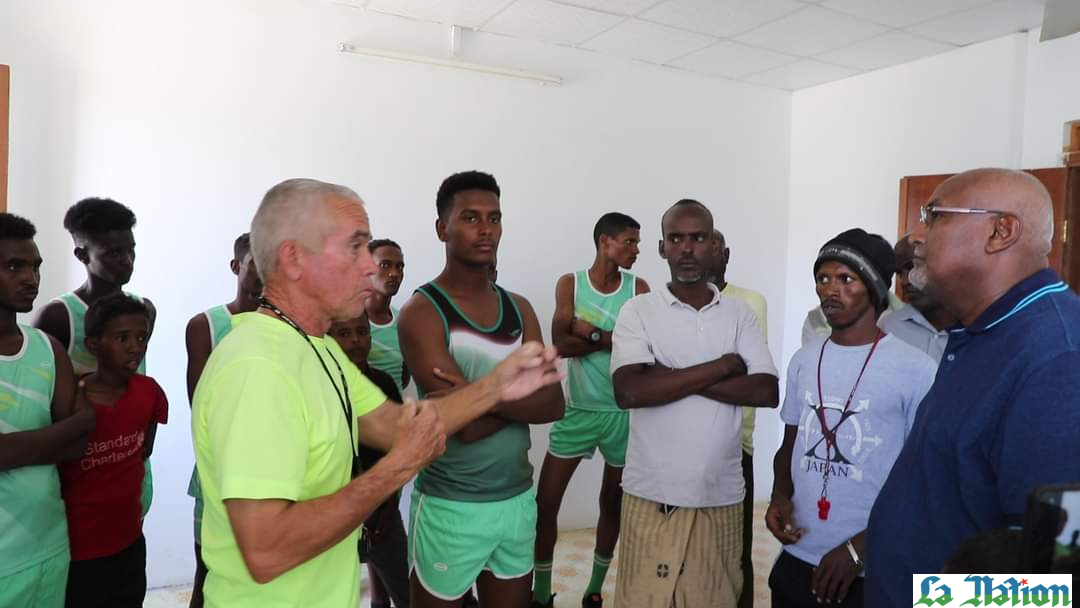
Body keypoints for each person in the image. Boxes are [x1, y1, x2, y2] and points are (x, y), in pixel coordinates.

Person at [191, 178, 561, 608]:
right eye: (355, 247)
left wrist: (497, 385)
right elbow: (267, 550)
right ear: (293, 258)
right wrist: (395, 470)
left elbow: (398, 426)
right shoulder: (257, 367)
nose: (372, 267)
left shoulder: (317, 347)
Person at [866, 168, 1080, 606]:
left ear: (1001, 231)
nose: (916, 236)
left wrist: (934, 599)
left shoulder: (1058, 359)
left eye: (934, 216)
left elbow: (1055, 581)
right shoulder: (984, 331)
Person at [398, 170, 566, 608]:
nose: (486, 229)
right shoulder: (421, 312)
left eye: (494, 218)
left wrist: (476, 395)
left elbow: (552, 402)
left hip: (515, 500)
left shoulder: (519, 307)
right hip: (451, 506)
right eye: (470, 218)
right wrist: (515, 392)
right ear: (442, 228)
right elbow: (460, 427)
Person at [610, 199, 779, 608]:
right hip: (651, 491)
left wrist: (667, 377)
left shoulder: (739, 314)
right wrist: (723, 366)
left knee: (715, 597)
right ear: (662, 248)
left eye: (698, 238)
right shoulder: (638, 311)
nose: (687, 249)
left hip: (718, 492)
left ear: (715, 246)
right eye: (676, 238)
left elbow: (766, 392)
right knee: (643, 599)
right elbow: (629, 391)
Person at [766, 229, 936, 608]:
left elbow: (923, 478)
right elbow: (790, 444)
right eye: (823, 279)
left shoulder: (916, 370)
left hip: (871, 566)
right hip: (799, 556)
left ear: (875, 288)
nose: (830, 289)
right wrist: (779, 494)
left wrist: (860, 549)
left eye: (846, 279)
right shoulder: (804, 360)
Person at [534, 212, 649, 608]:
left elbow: (640, 350)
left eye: (638, 242)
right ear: (605, 242)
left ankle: (595, 588)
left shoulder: (639, 288)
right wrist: (608, 339)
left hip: (621, 414)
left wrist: (590, 331)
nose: (637, 249)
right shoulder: (571, 283)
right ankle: (540, 592)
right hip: (578, 411)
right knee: (546, 504)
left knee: (610, 504)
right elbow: (559, 342)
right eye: (630, 241)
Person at [33, 197, 159, 517]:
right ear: (82, 254)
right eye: (114, 253)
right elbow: (43, 397)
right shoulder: (59, 317)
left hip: (131, 458)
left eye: (131, 249)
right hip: (84, 463)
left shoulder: (142, 311)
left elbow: (138, 378)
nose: (127, 260)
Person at [0, 212, 94, 608]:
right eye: (13, 266)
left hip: (50, 547)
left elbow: (76, 447)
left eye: (35, 266)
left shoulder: (47, 348)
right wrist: (80, 421)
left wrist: (24, 448)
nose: (30, 278)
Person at [60, 293, 168, 607]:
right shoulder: (70, 399)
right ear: (94, 345)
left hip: (130, 542)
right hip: (79, 551)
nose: (135, 346)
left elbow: (144, 448)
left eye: (141, 337)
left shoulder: (150, 393)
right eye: (123, 338)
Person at [183, 232, 262, 608]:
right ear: (236, 266)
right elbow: (200, 405)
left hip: (271, 470)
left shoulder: (289, 327)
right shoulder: (207, 325)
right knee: (209, 570)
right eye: (254, 263)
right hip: (220, 469)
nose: (265, 272)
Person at [328, 310, 410, 608]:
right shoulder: (320, 388)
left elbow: (399, 448)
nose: (356, 341)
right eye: (344, 334)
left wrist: (387, 506)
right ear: (328, 337)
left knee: (407, 592)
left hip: (382, 513)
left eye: (362, 331)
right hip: (333, 515)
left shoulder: (384, 383)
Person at [707, 229, 768, 608]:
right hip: (682, 444)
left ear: (726, 254)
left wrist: (683, 380)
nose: (702, 252)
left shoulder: (748, 302)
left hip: (734, 443)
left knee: (737, 548)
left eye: (712, 245)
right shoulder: (664, 305)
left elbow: (752, 376)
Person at [876, 235, 956, 362]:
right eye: (899, 273)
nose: (904, 281)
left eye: (913, 267)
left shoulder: (976, 328)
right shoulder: (889, 326)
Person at [365, 239, 410, 394]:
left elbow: (404, 378)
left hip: (397, 412)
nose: (394, 273)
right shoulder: (347, 322)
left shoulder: (404, 321)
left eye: (400, 267)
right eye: (385, 265)